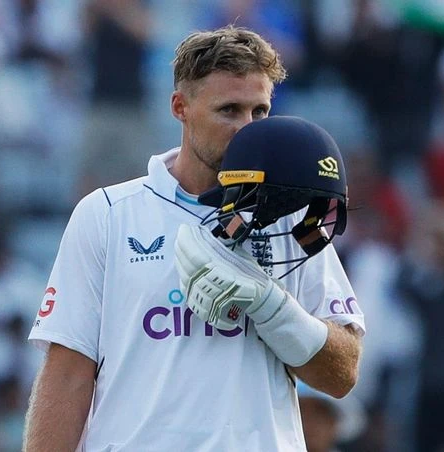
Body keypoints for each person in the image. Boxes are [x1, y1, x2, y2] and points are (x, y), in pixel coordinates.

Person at [22, 25, 364, 451]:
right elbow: (68, 374)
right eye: (229, 110)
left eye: (259, 112)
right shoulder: (108, 214)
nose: (248, 129)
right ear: (180, 107)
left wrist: (272, 307)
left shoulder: (289, 216)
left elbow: (342, 373)